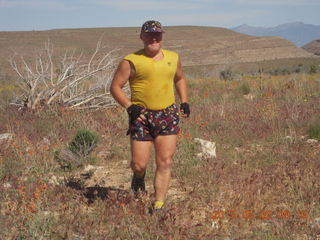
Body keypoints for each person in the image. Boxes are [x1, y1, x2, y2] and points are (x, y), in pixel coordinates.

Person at [110, 20, 190, 212]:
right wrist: (129, 107)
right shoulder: (130, 61)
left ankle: (159, 203)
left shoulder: (173, 57)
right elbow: (115, 87)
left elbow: (179, 78)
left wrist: (185, 101)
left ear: (162, 36)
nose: (154, 38)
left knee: (165, 161)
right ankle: (138, 177)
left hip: (168, 114)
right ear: (141, 37)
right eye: (149, 34)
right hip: (141, 117)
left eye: (158, 34)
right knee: (139, 164)